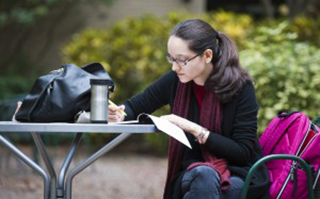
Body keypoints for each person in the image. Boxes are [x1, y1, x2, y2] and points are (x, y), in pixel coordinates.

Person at [108, 19, 270, 199]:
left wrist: (194, 129)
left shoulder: (240, 87)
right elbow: (135, 106)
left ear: (207, 55)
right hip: (193, 173)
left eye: (182, 60)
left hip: (237, 174)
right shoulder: (175, 81)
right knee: (204, 176)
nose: (174, 67)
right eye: (171, 58)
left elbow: (242, 152)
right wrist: (119, 113)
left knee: (203, 181)